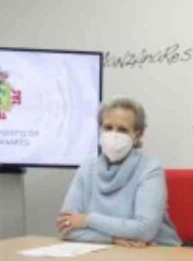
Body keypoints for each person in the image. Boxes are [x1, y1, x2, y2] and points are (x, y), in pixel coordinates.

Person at [57, 97, 180, 247]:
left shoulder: (150, 169)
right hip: (106, 252)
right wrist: (113, 240)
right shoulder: (87, 168)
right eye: (108, 128)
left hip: (152, 253)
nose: (113, 135)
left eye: (122, 130)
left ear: (137, 135)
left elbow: (145, 231)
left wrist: (87, 220)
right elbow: (66, 226)